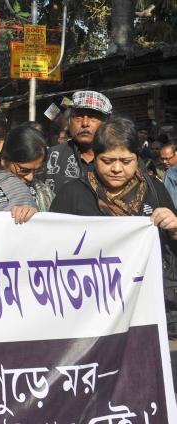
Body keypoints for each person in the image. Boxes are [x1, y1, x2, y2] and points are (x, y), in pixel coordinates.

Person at [49, 117, 177, 336]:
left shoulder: (154, 190)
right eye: (107, 161)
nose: (117, 169)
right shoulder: (73, 193)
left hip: (147, 307)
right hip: (88, 310)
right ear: (94, 158)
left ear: (137, 159)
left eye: (126, 161)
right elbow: (48, 250)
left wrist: (174, 228)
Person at [43, 90, 112, 195]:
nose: (84, 123)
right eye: (78, 117)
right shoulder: (50, 156)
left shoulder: (123, 158)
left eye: (92, 117)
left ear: (107, 122)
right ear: (69, 121)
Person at [1, 124, 54, 211]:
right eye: (24, 170)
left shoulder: (44, 193)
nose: (30, 178)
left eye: (37, 170)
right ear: (3, 160)